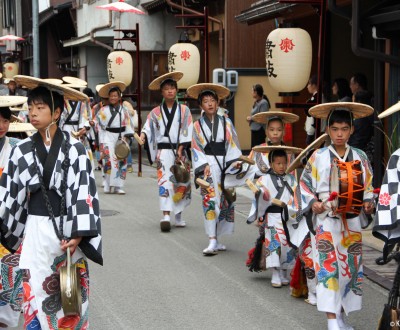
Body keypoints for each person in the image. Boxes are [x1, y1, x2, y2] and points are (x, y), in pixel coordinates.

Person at [0, 75, 102, 329]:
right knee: (34, 292)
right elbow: (10, 195)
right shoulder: (21, 149)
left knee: (69, 298)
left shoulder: (75, 149)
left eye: (40, 108)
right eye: (30, 108)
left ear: (56, 112)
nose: (32, 113)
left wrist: (78, 235)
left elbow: (84, 192)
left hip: (67, 231)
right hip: (35, 231)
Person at [300, 102, 374, 330]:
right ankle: (332, 320)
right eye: (335, 129)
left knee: (349, 269)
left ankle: (341, 316)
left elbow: (368, 186)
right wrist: (314, 203)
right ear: (327, 130)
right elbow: (304, 185)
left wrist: (369, 202)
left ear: (352, 129)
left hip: (351, 221)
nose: (339, 134)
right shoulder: (318, 156)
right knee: (328, 268)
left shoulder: (360, 156)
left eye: (344, 129)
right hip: (326, 221)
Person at [189, 83, 244, 255]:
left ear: (218, 103)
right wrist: (203, 165)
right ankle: (212, 239)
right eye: (205, 101)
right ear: (200, 106)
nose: (210, 104)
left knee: (225, 202)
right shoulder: (197, 126)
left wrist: (235, 161)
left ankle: (217, 238)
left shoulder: (226, 122)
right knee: (210, 201)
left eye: (213, 100)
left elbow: (232, 143)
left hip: (224, 164)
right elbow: (195, 147)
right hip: (207, 166)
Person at [140, 72, 192, 232]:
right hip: (163, 152)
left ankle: (178, 216)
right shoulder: (155, 112)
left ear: (177, 91)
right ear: (161, 92)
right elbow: (148, 127)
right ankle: (166, 215)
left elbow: (187, 130)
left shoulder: (184, 111)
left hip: (180, 151)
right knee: (164, 182)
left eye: (172, 88)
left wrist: (181, 148)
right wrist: (142, 135)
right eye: (166, 89)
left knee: (181, 181)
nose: (170, 91)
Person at [247, 145, 302, 287]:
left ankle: (283, 272)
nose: (282, 166)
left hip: (287, 216)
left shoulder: (291, 179)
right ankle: (275, 273)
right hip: (271, 217)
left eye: (284, 163)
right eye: (278, 163)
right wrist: (262, 194)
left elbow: (297, 196)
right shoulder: (264, 179)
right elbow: (260, 193)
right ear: (271, 164)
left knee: (287, 245)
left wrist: (293, 209)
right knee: (274, 244)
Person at [0, 96, 27, 328]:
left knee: (11, 266)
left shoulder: (18, 148)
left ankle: (7, 318)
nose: (1, 125)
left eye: (5, 120)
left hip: (11, 217)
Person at [96, 81, 135, 195]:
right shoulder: (103, 110)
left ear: (119, 97)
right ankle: (108, 184)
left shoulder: (124, 110)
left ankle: (119, 186)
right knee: (108, 161)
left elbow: (128, 124)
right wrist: (93, 124)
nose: (113, 98)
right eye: (111, 95)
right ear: (108, 97)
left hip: (121, 137)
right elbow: (98, 122)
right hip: (108, 136)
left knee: (121, 161)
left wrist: (127, 137)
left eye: (115, 95)